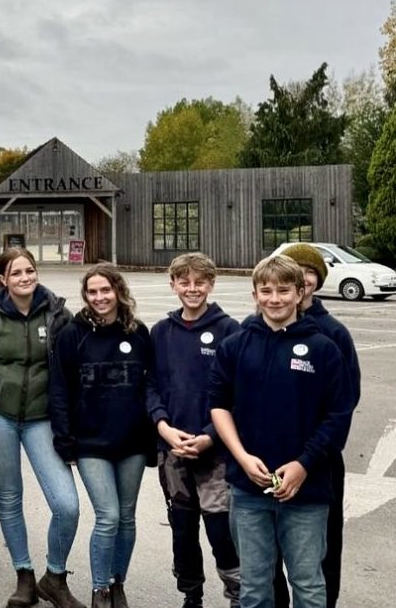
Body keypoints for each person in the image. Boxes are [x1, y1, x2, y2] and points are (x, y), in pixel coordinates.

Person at [210, 255, 353, 608]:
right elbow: (218, 405)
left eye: (284, 290)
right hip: (248, 491)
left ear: (300, 292)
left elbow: (338, 416)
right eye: (266, 290)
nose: (275, 299)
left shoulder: (323, 348)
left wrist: (303, 465)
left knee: (307, 585)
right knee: (256, 588)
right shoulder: (235, 346)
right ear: (255, 294)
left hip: (306, 493)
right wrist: (242, 458)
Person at [0, 248, 85, 608]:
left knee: (67, 505)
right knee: (9, 499)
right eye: (16, 272)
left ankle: (55, 576)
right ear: (3, 279)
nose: (25, 277)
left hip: (41, 418)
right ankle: (24, 575)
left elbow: (72, 365)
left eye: (30, 270)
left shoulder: (57, 313)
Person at [49, 263, 156, 608]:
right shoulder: (71, 334)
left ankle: (117, 581)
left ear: (118, 291)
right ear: (85, 296)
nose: (99, 298)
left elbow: (152, 386)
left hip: (132, 443)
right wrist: (65, 440)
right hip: (91, 443)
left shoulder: (139, 333)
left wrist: (154, 439)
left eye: (105, 290)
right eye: (92, 292)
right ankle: (100, 590)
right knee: (108, 515)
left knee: (127, 517)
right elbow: (60, 390)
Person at [149, 253, 241, 608]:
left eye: (200, 282)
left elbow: (237, 394)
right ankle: (191, 594)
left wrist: (209, 435)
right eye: (184, 282)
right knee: (183, 528)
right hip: (172, 450)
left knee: (221, 529)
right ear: (172, 285)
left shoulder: (230, 331)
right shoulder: (161, 332)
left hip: (215, 452)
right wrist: (163, 426)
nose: (192, 289)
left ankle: (236, 592)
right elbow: (151, 385)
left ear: (211, 285)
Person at [272, 244, 360, 608]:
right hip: (268, 459)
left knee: (322, 548)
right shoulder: (265, 324)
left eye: (308, 273)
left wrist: (313, 454)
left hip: (318, 461)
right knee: (269, 547)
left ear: (317, 280)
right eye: (295, 271)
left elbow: (346, 401)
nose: (303, 280)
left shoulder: (332, 333)